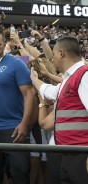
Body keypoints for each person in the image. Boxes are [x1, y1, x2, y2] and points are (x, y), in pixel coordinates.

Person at [0, 28, 35, 184]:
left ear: (4, 45)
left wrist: (24, 124)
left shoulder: (17, 63)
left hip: (13, 129)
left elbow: (29, 94)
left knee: (20, 175)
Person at [30, 36, 88, 183]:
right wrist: (36, 81)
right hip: (68, 154)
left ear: (61, 53)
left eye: (54, 54)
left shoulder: (84, 75)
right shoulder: (70, 78)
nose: (52, 59)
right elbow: (52, 92)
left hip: (82, 155)